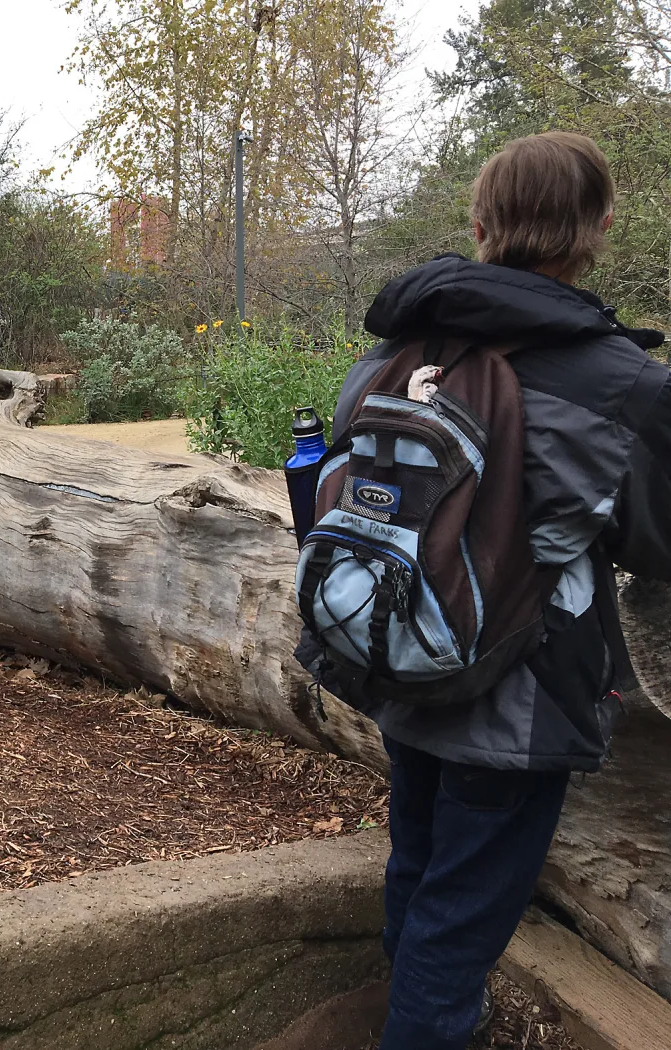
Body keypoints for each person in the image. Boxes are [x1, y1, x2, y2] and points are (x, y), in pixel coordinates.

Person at [309, 131, 671, 1048]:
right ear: (598, 226)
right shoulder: (622, 382)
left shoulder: (394, 350)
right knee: (463, 918)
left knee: (420, 865)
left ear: (479, 224)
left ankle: (416, 1014)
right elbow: (658, 539)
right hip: (519, 693)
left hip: (393, 652)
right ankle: (425, 1026)